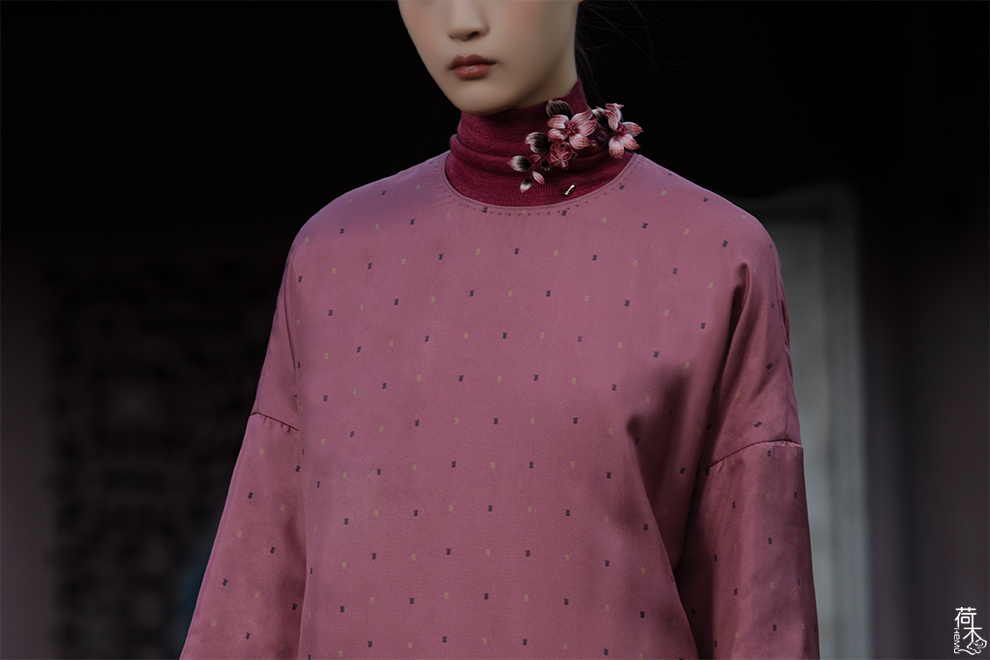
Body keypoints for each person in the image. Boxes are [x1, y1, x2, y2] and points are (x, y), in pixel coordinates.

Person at [180, 1, 820, 658]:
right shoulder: (333, 256)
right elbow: (251, 605)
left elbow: (760, 616)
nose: (461, 19)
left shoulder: (715, 255)